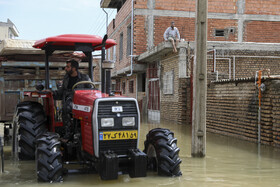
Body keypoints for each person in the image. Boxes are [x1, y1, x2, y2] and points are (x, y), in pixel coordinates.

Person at [52, 59, 91, 140]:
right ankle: (68, 133)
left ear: (74, 68)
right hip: (69, 99)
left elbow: (91, 91)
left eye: (67, 67)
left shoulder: (85, 78)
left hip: (81, 100)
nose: (65, 68)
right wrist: (53, 93)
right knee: (66, 107)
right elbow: (62, 90)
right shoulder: (66, 78)